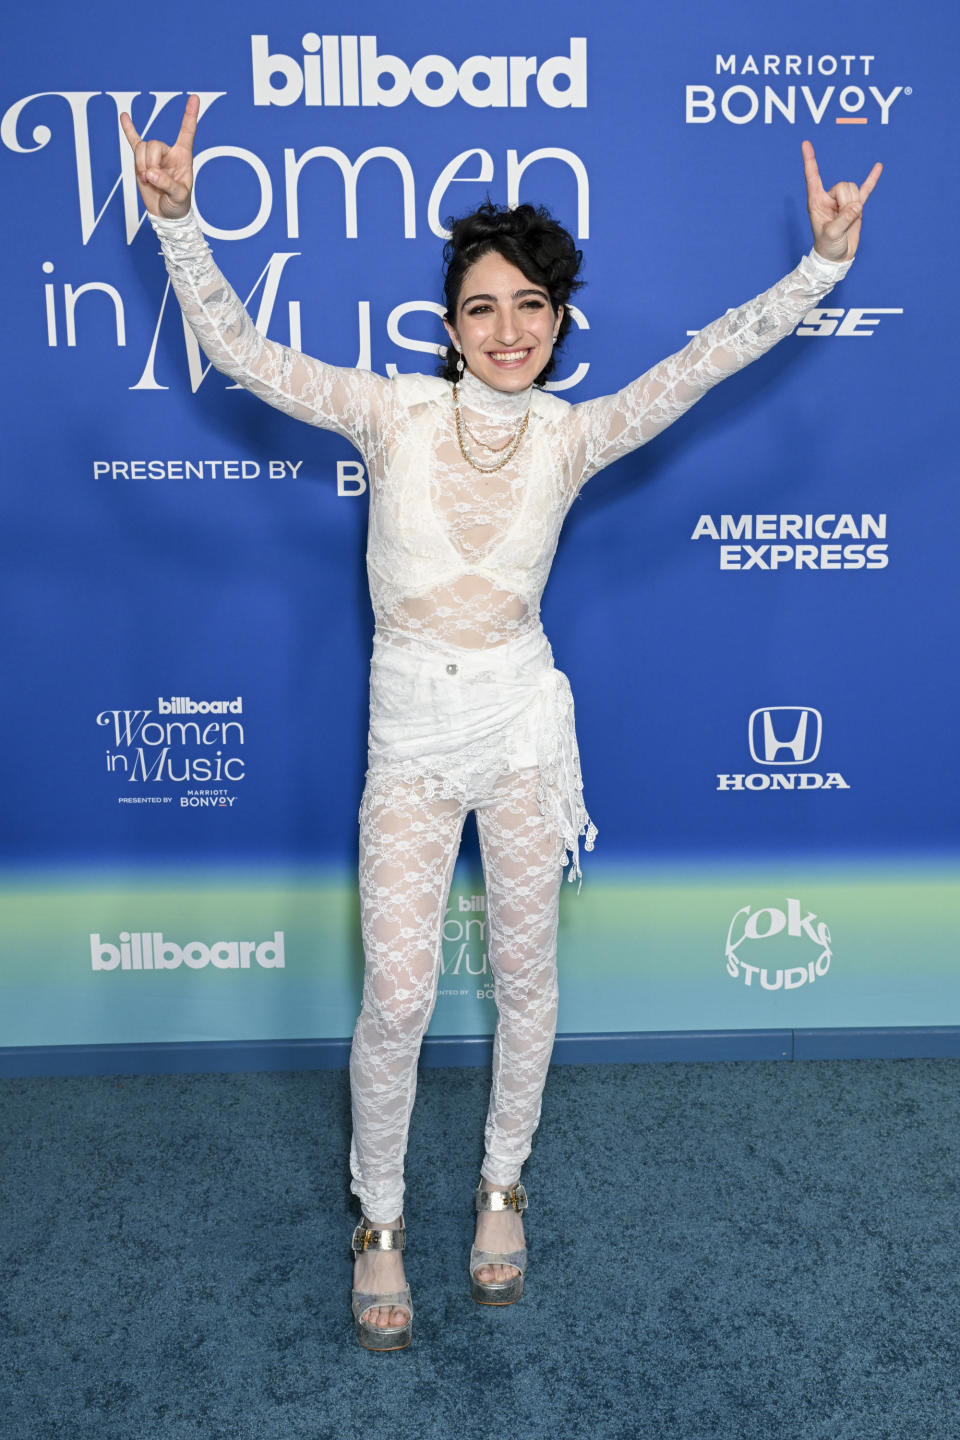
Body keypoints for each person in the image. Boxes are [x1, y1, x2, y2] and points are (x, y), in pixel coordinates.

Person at [121, 95, 881, 1352]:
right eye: (483, 305)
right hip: (411, 743)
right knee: (402, 995)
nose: (509, 328)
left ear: (558, 317)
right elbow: (246, 353)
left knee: (529, 983)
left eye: (532, 304)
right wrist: (181, 224)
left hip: (526, 738)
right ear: (448, 323)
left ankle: (500, 1192)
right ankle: (377, 1222)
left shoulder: (573, 437)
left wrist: (823, 267)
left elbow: (705, 365)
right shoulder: (388, 413)